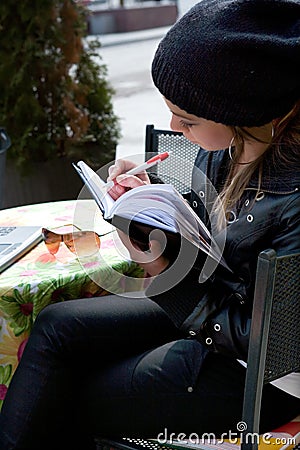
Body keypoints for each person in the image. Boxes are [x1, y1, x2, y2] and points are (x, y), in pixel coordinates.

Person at [0, 0, 299, 449]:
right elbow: (198, 204)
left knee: (63, 394)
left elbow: (270, 347)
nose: (173, 127)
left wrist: (162, 268)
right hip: (210, 304)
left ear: (245, 113)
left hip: (260, 376)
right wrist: (147, 191)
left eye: (189, 118)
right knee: (58, 325)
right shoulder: (232, 145)